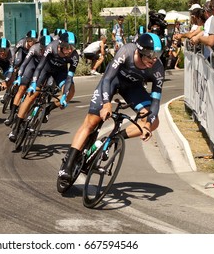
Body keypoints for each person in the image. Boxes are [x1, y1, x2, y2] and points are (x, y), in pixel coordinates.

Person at [58, 33, 164, 181]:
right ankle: (67, 166)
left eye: (157, 55)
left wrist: (147, 124)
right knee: (92, 121)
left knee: (154, 122)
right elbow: (107, 78)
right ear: (140, 52)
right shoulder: (126, 52)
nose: (154, 60)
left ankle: (114, 137)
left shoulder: (158, 68)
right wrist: (106, 103)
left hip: (133, 89)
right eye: (151, 56)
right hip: (112, 82)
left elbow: (155, 102)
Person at [8, 32, 79, 142]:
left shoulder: (74, 56)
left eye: (73, 47)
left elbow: (70, 77)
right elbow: (39, 67)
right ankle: (16, 127)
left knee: (71, 92)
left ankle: (48, 108)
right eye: (68, 47)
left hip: (60, 73)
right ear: (61, 45)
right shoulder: (51, 47)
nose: (70, 51)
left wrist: (65, 95)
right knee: (31, 95)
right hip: (45, 69)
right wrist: (34, 83)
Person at [4, 35, 53, 126]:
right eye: (43, 49)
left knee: (45, 88)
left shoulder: (54, 52)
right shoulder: (34, 48)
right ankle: (11, 115)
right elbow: (24, 64)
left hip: (44, 69)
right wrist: (19, 77)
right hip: (32, 65)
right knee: (22, 88)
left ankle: (42, 110)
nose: (45, 51)